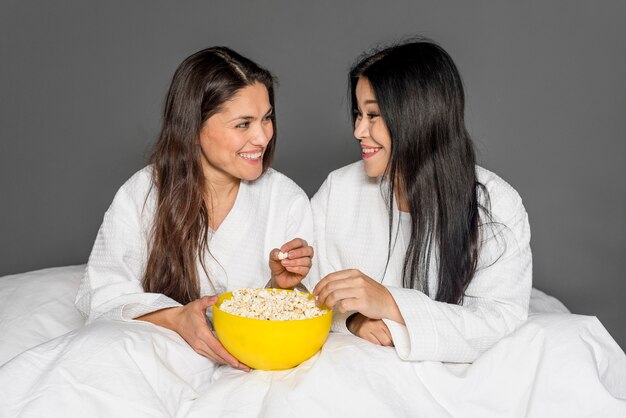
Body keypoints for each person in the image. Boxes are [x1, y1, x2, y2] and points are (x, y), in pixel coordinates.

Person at [0, 47, 314, 416]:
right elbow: (104, 291)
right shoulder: (146, 190)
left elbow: (295, 317)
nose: (262, 137)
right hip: (151, 339)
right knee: (79, 365)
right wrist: (175, 318)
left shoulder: (285, 199)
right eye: (243, 124)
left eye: (267, 118)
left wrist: (282, 286)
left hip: (231, 360)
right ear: (194, 127)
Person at [312, 39, 532, 363]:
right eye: (359, 114)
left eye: (373, 115)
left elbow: (499, 324)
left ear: (417, 117)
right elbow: (307, 294)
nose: (359, 130)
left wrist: (389, 303)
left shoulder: (496, 202)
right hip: (361, 365)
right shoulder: (339, 188)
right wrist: (352, 320)